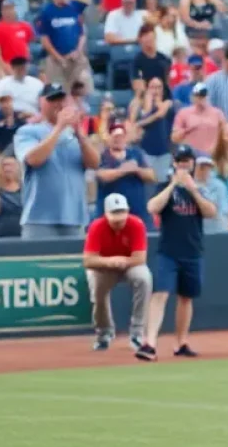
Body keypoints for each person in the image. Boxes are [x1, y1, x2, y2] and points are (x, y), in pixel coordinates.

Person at [137, 144, 217, 361]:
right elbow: (153, 207)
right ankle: (149, 343)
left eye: (187, 161)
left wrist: (192, 189)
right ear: (174, 163)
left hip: (192, 250)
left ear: (192, 163)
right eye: (180, 161)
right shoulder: (164, 186)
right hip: (169, 251)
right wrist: (173, 185)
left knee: (186, 297)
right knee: (160, 294)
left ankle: (181, 342)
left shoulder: (200, 188)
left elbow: (211, 212)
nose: (184, 165)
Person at [14, 82, 100, 239]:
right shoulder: (28, 131)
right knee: (38, 263)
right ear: (41, 102)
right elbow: (34, 159)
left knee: (73, 263)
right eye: (52, 99)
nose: (58, 104)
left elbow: (94, 164)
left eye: (61, 99)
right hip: (39, 218)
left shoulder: (75, 135)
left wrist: (80, 135)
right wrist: (59, 127)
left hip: (75, 217)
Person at [82, 193, 153, 352]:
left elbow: (140, 258)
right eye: (115, 215)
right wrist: (109, 261)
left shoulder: (136, 224)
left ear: (127, 211)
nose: (119, 220)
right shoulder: (97, 226)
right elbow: (88, 261)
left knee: (144, 278)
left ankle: (137, 333)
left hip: (129, 264)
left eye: (122, 214)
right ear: (106, 214)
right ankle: (104, 333)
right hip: (105, 266)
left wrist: (123, 261)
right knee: (97, 288)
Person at [96, 121, 155, 225]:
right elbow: (102, 175)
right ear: (109, 138)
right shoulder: (103, 156)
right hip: (111, 213)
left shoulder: (136, 153)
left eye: (121, 136)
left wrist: (137, 169)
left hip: (137, 211)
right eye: (115, 137)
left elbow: (151, 176)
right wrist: (123, 170)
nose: (118, 140)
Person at [0, 152, 23, 238]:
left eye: (11, 165)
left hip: (23, 236)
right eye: (4, 165)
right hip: (0, 236)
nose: (8, 168)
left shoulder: (27, 190)